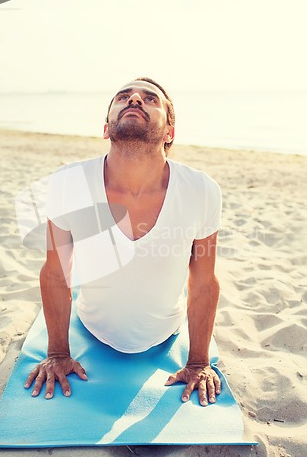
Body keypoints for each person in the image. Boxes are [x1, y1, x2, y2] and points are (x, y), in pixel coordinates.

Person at [24, 77, 222, 406]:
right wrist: (58, 353)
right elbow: (57, 271)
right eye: (123, 97)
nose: (133, 100)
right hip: (91, 325)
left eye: (149, 99)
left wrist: (198, 363)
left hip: (166, 331)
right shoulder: (68, 183)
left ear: (170, 133)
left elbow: (203, 281)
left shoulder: (200, 190)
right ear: (106, 128)